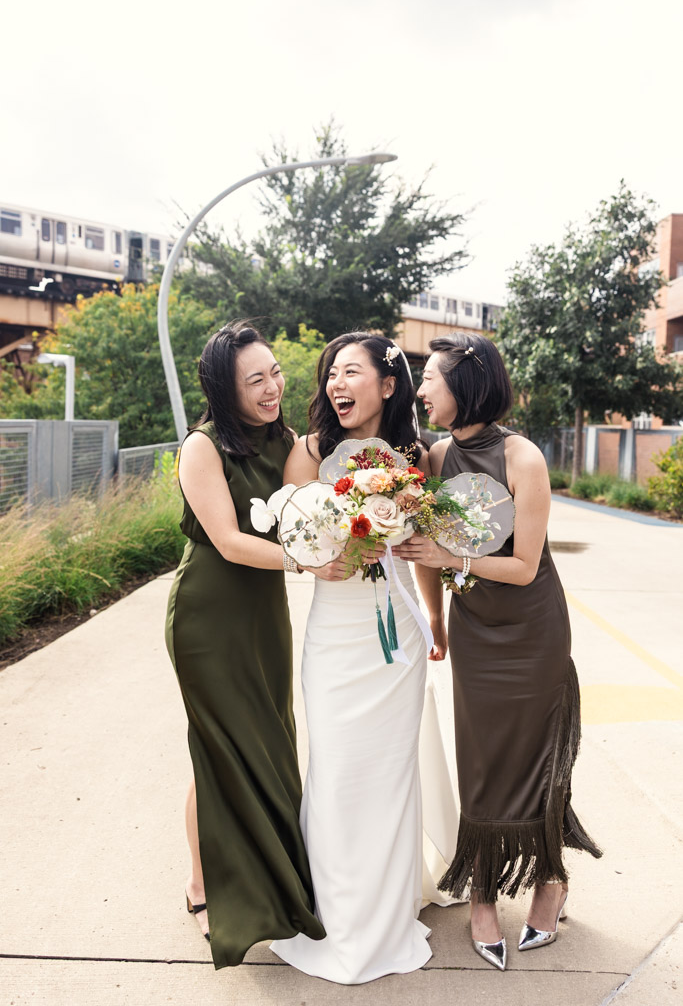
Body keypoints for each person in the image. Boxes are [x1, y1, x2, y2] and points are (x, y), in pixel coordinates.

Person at [395, 334, 602, 972]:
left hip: (533, 626)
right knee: (482, 758)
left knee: (536, 755)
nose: (422, 390)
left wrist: (451, 558)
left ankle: (551, 879)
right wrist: (434, 616)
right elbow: (424, 552)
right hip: (477, 630)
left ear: (469, 384)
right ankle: (483, 889)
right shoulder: (430, 459)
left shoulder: (523, 456)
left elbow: (522, 564)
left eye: (431, 377)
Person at [270, 333, 459, 984]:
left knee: (387, 773)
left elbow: (427, 548)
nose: (334, 384)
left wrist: (434, 618)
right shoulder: (308, 452)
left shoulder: (420, 455)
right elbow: (300, 544)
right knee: (338, 771)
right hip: (336, 636)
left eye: (350, 371)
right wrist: (343, 552)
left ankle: (389, 903)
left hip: (399, 637)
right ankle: (338, 911)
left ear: (387, 382)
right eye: (330, 373)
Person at [164, 322, 331, 969]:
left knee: (267, 743)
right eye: (254, 379)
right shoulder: (202, 448)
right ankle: (205, 888)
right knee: (221, 751)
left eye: (274, 373)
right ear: (224, 388)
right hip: (208, 617)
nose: (271, 387)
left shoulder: (286, 442)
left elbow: (306, 511)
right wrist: (308, 564)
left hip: (263, 616)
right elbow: (231, 542)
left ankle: (270, 884)